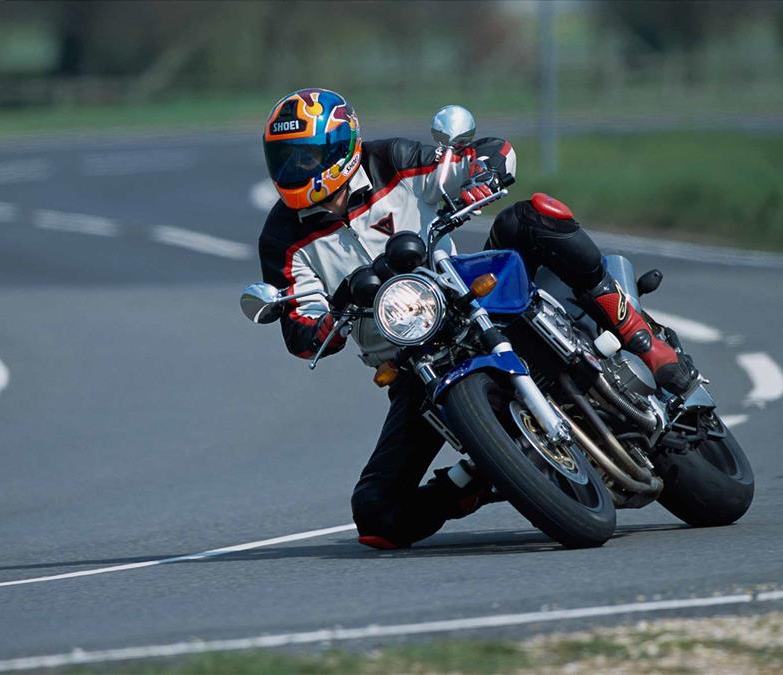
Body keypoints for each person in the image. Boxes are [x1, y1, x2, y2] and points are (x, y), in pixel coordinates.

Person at [258, 88, 694, 549]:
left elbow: (491, 152)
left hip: (470, 297)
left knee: (529, 218)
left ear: (341, 146)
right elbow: (300, 330)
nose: (296, 170)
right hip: (412, 363)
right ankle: (481, 478)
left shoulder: (393, 161)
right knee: (376, 514)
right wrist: (334, 306)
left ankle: (640, 336)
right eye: (286, 159)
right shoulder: (281, 239)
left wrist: (481, 174)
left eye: (307, 158)